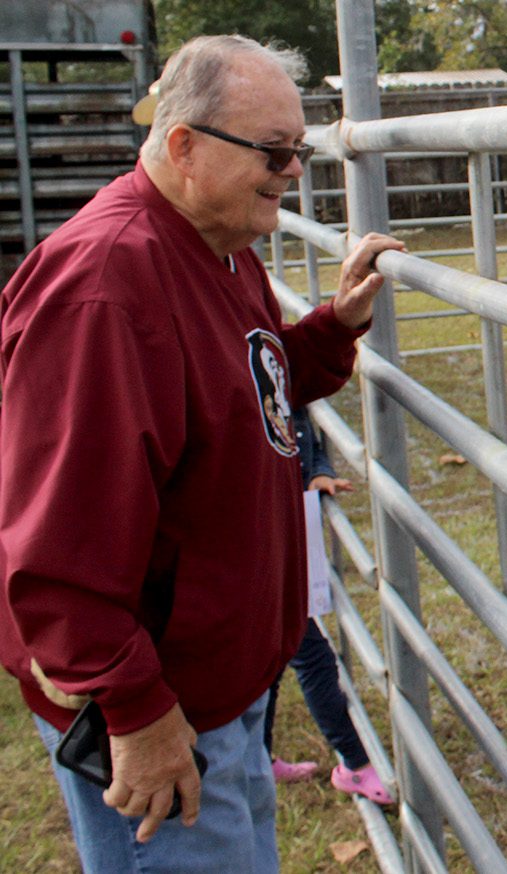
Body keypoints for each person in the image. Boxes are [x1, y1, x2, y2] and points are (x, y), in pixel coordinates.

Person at [0, 34, 405, 873]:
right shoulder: (107, 288)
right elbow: (58, 544)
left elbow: (248, 382)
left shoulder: (216, 250)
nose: (294, 170)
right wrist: (137, 715)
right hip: (161, 714)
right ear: (183, 145)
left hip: (216, 694)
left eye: (299, 150)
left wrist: (333, 327)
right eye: (275, 151)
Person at [265, 408, 394, 805]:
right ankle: (355, 762)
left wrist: (316, 466)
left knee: (273, 656)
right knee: (310, 653)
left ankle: (259, 756)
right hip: (261, 529)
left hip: (282, 521)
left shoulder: (268, 358)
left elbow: (297, 422)